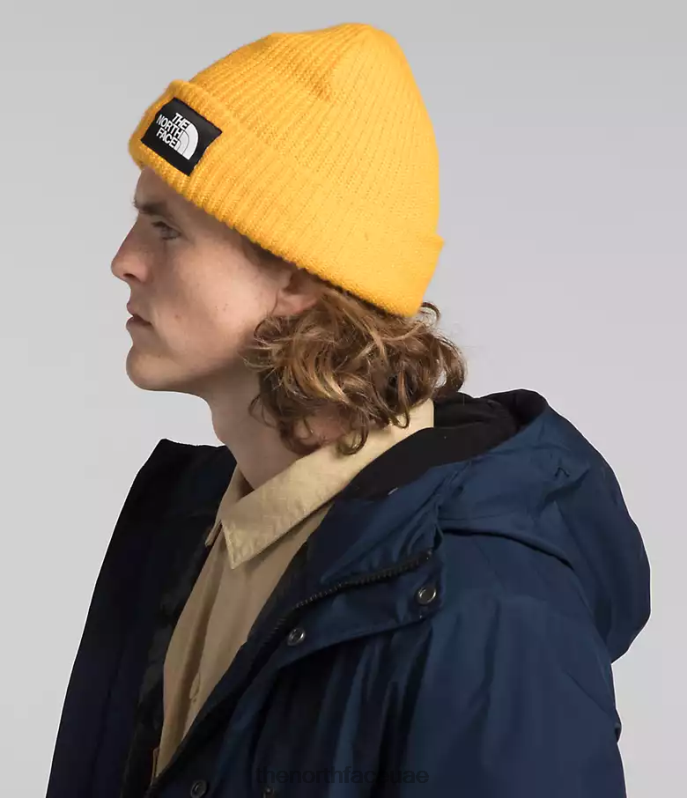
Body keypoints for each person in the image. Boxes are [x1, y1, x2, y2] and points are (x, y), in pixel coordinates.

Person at [46, 21, 651, 798]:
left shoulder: (487, 611)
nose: (124, 260)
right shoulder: (189, 532)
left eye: (167, 228)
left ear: (298, 277)